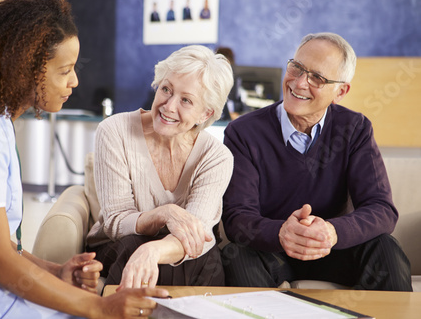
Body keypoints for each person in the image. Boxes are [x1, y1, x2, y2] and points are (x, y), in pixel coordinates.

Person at [0, 0, 167, 319]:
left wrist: (55, 271)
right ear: (24, 69)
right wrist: (99, 307)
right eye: (64, 70)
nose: (74, 81)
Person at [221, 32, 413, 291]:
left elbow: (381, 209)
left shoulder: (355, 129)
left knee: (385, 249)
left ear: (341, 91)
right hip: (271, 250)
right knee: (238, 256)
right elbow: (237, 218)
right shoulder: (243, 132)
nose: (299, 83)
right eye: (296, 68)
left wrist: (332, 232)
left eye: (317, 78)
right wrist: (282, 233)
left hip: (333, 248)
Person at [86, 45, 234, 290]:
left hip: (173, 250)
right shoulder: (114, 131)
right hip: (118, 245)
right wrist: (164, 213)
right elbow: (115, 224)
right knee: (133, 246)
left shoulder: (216, 157)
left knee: (207, 259)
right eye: (166, 89)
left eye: (186, 100)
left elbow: (198, 235)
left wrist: (153, 250)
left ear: (205, 113)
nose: (168, 106)